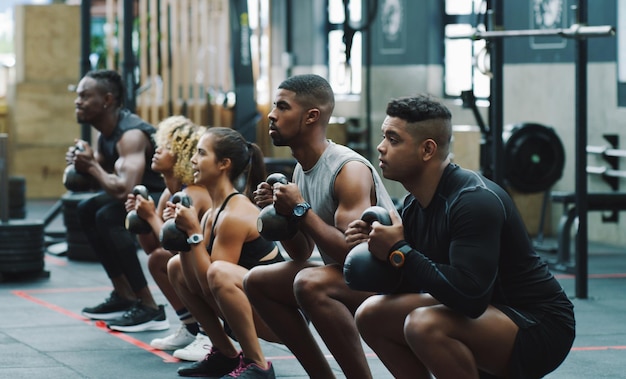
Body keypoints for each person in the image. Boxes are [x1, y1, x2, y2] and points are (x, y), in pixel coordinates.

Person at [346, 95, 575, 379]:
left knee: (424, 324)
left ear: (427, 149)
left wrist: (400, 252)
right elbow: (414, 282)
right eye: (384, 137)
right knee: (371, 315)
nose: (380, 147)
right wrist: (379, 249)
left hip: (538, 325)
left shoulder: (473, 201)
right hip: (486, 311)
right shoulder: (414, 206)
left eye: (393, 139)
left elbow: (470, 296)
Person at [243, 74, 397, 379]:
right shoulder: (302, 169)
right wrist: (279, 214)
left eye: (283, 107)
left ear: (311, 116)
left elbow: (354, 258)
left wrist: (300, 209)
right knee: (257, 281)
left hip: (387, 281)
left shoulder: (347, 169)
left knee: (310, 283)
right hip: (351, 275)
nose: (272, 114)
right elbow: (301, 252)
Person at [166, 126, 284, 378]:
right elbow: (196, 279)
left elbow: (211, 284)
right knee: (175, 266)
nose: (193, 160)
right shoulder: (213, 211)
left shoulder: (235, 214)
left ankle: (258, 364)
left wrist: (194, 233)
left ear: (223, 164)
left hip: (282, 318)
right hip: (255, 307)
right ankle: (225, 354)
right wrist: (186, 234)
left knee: (218, 273)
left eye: (201, 153)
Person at [68, 69, 167, 332]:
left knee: (109, 216)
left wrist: (91, 166)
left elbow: (124, 190)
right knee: (86, 209)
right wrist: (82, 164)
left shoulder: (130, 134)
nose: (78, 101)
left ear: (107, 100)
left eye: (85, 96)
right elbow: (97, 179)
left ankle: (149, 307)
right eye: (78, 95)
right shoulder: (105, 135)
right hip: (141, 195)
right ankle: (124, 294)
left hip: (166, 196)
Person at [124, 116, 213, 351]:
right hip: (191, 261)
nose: (157, 150)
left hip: (213, 266)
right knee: (157, 260)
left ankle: (210, 335)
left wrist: (152, 216)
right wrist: (141, 218)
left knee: (174, 261)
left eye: (165, 148)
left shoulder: (192, 193)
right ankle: (191, 327)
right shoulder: (168, 193)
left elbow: (177, 247)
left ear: (181, 156)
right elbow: (153, 248)